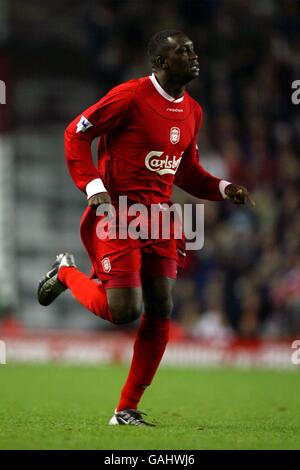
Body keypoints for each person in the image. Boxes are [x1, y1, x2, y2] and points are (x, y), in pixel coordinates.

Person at [37, 30, 254, 426]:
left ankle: (126, 409)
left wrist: (225, 188)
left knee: (161, 307)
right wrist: (94, 186)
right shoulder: (130, 97)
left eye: (193, 48)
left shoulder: (193, 111)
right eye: (182, 51)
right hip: (118, 213)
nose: (193, 54)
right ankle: (65, 273)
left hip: (159, 219)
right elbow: (75, 134)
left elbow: (185, 171)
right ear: (160, 63)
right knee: (124, 311)